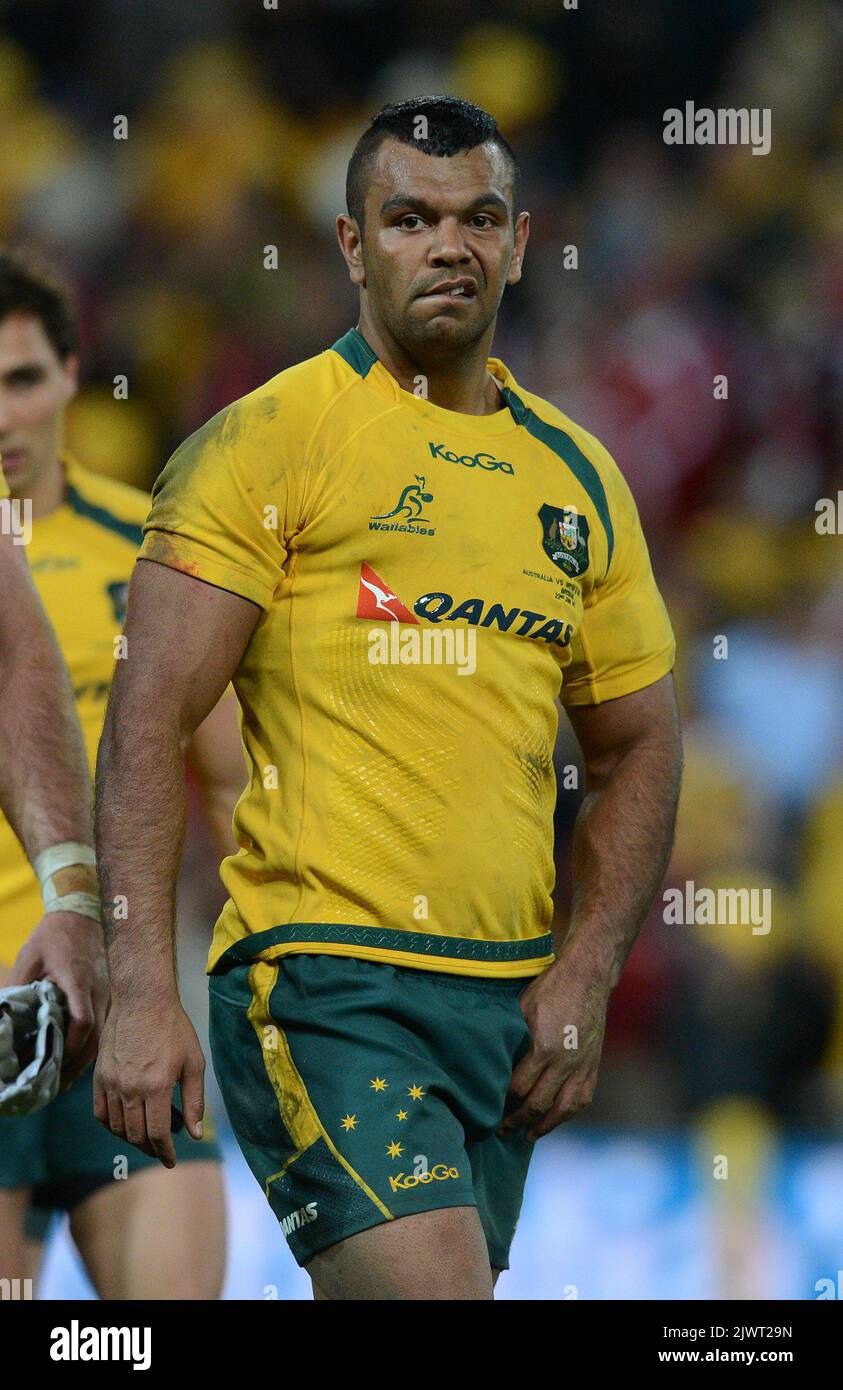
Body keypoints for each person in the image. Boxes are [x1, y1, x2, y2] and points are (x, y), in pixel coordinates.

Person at [94, 97, 683, 1301]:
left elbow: (640, 744)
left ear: (522, 244)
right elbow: (145, 722)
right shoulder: (265, 443)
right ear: (355, 246)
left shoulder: (577, 476)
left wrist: (583, 976)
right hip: (326, 981)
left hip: (507, 1004)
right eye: (410, 218)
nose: (449, 245)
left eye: (480, 219)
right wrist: (143, 989)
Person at [0, 251, 244, 1299]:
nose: (1, 413)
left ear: (69, 375)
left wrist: (268, 976)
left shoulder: (152, 547)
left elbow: (232, 781)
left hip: (125, 1013)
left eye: (20, 379)